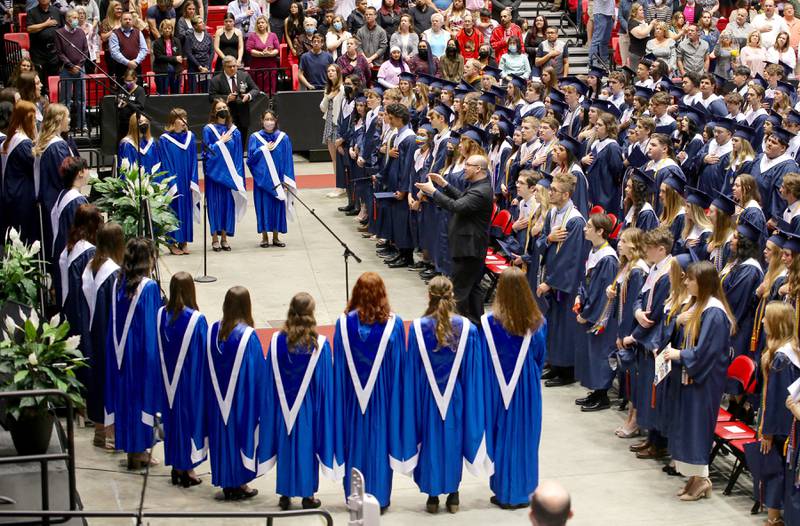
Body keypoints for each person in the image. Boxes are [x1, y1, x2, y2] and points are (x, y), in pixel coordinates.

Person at [398, 276, 486, 514]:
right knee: (453, 440)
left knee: (430, 440)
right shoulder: (467, 328)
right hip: (455, 396)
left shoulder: (417, 328)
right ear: (451, 296)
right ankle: (454, 495)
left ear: (429, 296)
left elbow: (413, 371)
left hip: (428, 396)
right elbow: (471, 372)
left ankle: (432, 497)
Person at [333, 272, 406, 513]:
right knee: (378, 444)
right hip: (382, 398)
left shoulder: (343, 325)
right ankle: (379, 498)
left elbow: (340, 368)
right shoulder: (393, 325)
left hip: (352, 399)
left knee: (354, 444)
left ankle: (356, 498)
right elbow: (398, 368)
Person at [664, 261, 735, 500]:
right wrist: (678, 322)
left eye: (690, 279)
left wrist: (680, 355)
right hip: (692, 377)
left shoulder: (714, 312)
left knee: (697, 426)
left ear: (702, 283)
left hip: (704, 381)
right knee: (687, 424)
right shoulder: (698, 306)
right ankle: (693, 477)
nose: (685, 282)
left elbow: (707, 351)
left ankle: (702, 479)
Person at [260, 292, 337, 510]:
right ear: (311, 314)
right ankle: (307, 495)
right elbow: (323, 384)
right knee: (306, 447)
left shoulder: (276, 341)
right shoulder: (318, 345)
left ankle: (284, 494)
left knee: (286, 446)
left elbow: (269, 379)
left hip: (283, 408)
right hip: (307, 407)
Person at [482, 267, 546, 509]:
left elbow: (485, 358)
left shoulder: (488, 324)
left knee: (500, 435)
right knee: (525, 437)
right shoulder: (538, 322)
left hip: (496, 388)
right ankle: (522, 491)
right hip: (526, 387)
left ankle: (502, 490)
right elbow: (539, 357)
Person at [104, 238, 162, 470]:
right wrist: (154, 358)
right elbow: (151, 325)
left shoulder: (119, 282)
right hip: (140, 353)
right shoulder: (148, 288)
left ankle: (132, 449)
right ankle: (138, 452)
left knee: (126, 397)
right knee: (139, 397)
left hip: (119, 352)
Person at [416, 154, 493, 323]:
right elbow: (462, 199)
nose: (464, 168)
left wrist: (433, 192)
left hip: (469, 249)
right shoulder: (479, 186)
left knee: (459, 291)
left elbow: (456, 206)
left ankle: (458, 328)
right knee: (472, 289)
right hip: (469, 246)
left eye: (468, 165)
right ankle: (476, 323)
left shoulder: (481, 191)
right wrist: (444, 185)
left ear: (478, 169)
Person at [203, 286, 264, 500]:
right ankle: (239, 483)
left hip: (216, 399)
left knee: (222, 435)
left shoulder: (212, 331)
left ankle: (226, 480)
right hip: (240, 401)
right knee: (239, 435)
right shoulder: (248, 336)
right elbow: (257, 374)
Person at [157, 272, 208, 488]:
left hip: (167, 378)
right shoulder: (196, 320)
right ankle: (188, 469)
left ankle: (176, 467)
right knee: (187, 421)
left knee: (172, 421)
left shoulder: (160, 314)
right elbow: (203, 353)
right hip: (188, 380)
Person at [82, 221, 124, 450]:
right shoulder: (113, 274)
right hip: (107, 333)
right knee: (110, 381)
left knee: (98, 380)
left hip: (91, 331)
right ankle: (111, 434)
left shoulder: (91, 265)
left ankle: (100, 432)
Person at [574, 213, 618, 411]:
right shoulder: (594, 251)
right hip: (590, 308)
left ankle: (603, 395)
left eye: (589, 226)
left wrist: (587, 313)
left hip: (602, 316)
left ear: (600, 231)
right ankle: (596, 391)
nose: (585, 228)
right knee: (592, 352)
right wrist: (579, 297)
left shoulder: (608, 259)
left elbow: (602, 293)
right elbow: (587, 281)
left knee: (600, 353)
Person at [202, 98, 246, 252]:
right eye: (219, 107)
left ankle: (225, 238)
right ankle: (214, 238)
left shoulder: (235, 131)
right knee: (215, 205)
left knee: (228, 206)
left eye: (224, 107)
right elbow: (207, 152)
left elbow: (238, 155)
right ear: (214, 111)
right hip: (214, 175)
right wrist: (220, 142)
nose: (223, 109)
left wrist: (238, 177)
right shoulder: (208, 130)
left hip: (229, 176)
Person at [247, 110, 295, 248]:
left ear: (276, 120)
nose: (269, 122)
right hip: (262, 181)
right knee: (263, 207)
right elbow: (250, 160)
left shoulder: (283, 138)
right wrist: (263, 149)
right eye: (266, 119)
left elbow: (288, 160)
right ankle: (264, 237)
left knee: (277, 206)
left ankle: (275, 236)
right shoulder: (255, 138)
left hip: (278, 180)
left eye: (271, 119)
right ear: (262, 121)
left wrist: (287, 180)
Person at [34, 104, 75, 256]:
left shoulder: (49, 142)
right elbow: (65, 175)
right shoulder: (56, 146)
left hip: (49, 199)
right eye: (67, 117)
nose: (70, 120)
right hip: (57, 201)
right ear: (59, 120)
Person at [158, 108, 199, 255]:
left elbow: (194, 159)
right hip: (174, 180)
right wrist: (170, 182)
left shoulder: (190, 137)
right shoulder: (164, 140)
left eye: (185, 118)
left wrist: (193, 180)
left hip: (187, 179)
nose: (184, 122)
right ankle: (171, 243)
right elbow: (165, 161)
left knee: (186, 209)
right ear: (172, 122)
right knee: (173, 209)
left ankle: (184, 241)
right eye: (181, 119)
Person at [1, 101, 38, 246]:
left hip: (12, 193)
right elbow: (35, 166)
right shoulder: (23, 144)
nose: (35, 123)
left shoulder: (12, 139)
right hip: (22, 197)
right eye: (34, 119)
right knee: (23, 238)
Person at [208, 55, 259, 145]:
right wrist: (226, 98)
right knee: (229, 144)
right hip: (225, 118)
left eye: (234, 66)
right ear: (224, 67)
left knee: (242, 144)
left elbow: (255, 89)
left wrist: (248, 95)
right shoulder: (216, 80)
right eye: (229, 66)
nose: (232, 68)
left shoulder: (244, 75)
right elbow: (212, 97)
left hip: (243, 116)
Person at [55, 9, 88, 134]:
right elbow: (59, 53)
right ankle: (65, 126)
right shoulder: (59, 33)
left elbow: (85, 51)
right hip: (66, 69)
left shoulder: (80, 32)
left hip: (80, 69)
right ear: (68, 19)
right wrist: (70, 65)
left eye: (77, 17)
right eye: (74, 17)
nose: (76, 20)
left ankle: (81, 125)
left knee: (81, 99)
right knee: (65, 100)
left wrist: (79, 65)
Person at [27, 0, 63, 96]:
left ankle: (54, 102)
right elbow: (29, 29)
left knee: (54, 79)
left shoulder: (57, 11)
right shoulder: (32, 12)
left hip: (54, 51)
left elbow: (63, 29)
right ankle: (41, 101)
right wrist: (46, 24)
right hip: (38, 51)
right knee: (40, 79)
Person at [108, 11, 147, 81]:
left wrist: (136, 61)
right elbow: (114, 53)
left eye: (129, 19)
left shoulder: (138, 32)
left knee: (138, 90)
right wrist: (128, 63)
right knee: (122, 91)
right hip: (121, 68)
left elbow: (144, 49)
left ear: (132, 21)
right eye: (125, 19)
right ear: (121, 21)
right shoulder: (115, 34)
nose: (128, 21)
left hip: (136, 67)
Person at [245, 15, 280, 94]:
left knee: (270, 88)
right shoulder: (252, 36)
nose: (260, 24)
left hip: (271, 67)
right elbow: (249, 49)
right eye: (258, 23)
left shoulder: (273, 35)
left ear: (267, 24)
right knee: (258, 88)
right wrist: (261, 54)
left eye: (262, 22)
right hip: (257, 67)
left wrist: (269, 54)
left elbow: (277, 49)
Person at [152, 19, 183, 95]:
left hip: (176, 71)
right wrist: (174, 58)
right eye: (165, 28)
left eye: (169, 28)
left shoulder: (177, 41)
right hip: (161, 70)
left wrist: (174, 58)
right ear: (161, 29)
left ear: (172, 29)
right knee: (162, 93)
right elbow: (159, 57)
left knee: (175, 93)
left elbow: (179, 56)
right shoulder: (157, 42)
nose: (167, 30)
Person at [184, 16, 213, 93]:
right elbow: (189, 53)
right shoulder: (189, 37)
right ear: (195, 26)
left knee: (206, 90)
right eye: (200, 22)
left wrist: (206, 67)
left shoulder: (209, 36)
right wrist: (199, 66)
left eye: (203, 22)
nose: (203, 24)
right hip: (194, 67)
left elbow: (212, 52)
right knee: (193, 90)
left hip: (206, 67)